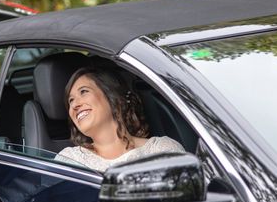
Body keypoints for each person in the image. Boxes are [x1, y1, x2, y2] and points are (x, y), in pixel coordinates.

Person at [56, 67, 184, 172]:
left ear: (113, 97)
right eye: (70, 100)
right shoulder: (68, 161)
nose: (74, 105)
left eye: (83, 91)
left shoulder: (163, 150)